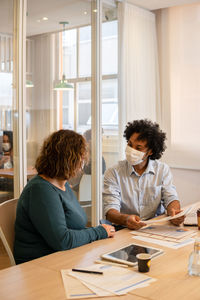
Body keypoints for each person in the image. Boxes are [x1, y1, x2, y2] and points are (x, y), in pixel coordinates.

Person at [14, 129, 115, 264]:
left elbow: (74, 228)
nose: (83, 163)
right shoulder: (41, 190)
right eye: (81, 157)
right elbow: (63, 240)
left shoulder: (63, 184)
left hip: (63, 256)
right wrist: (98, 232)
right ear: (68, 160)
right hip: (40, 264)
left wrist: (100, 232)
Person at [103, 119, 184, 230]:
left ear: (150, 151)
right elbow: (110, 211)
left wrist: (174, 212)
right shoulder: (113, 172)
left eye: (138, 148)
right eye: (130, 144)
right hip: (124, 229)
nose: (131, 150)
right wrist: (126, 219)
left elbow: (171, 198)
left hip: (154, 228)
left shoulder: (162, 170)